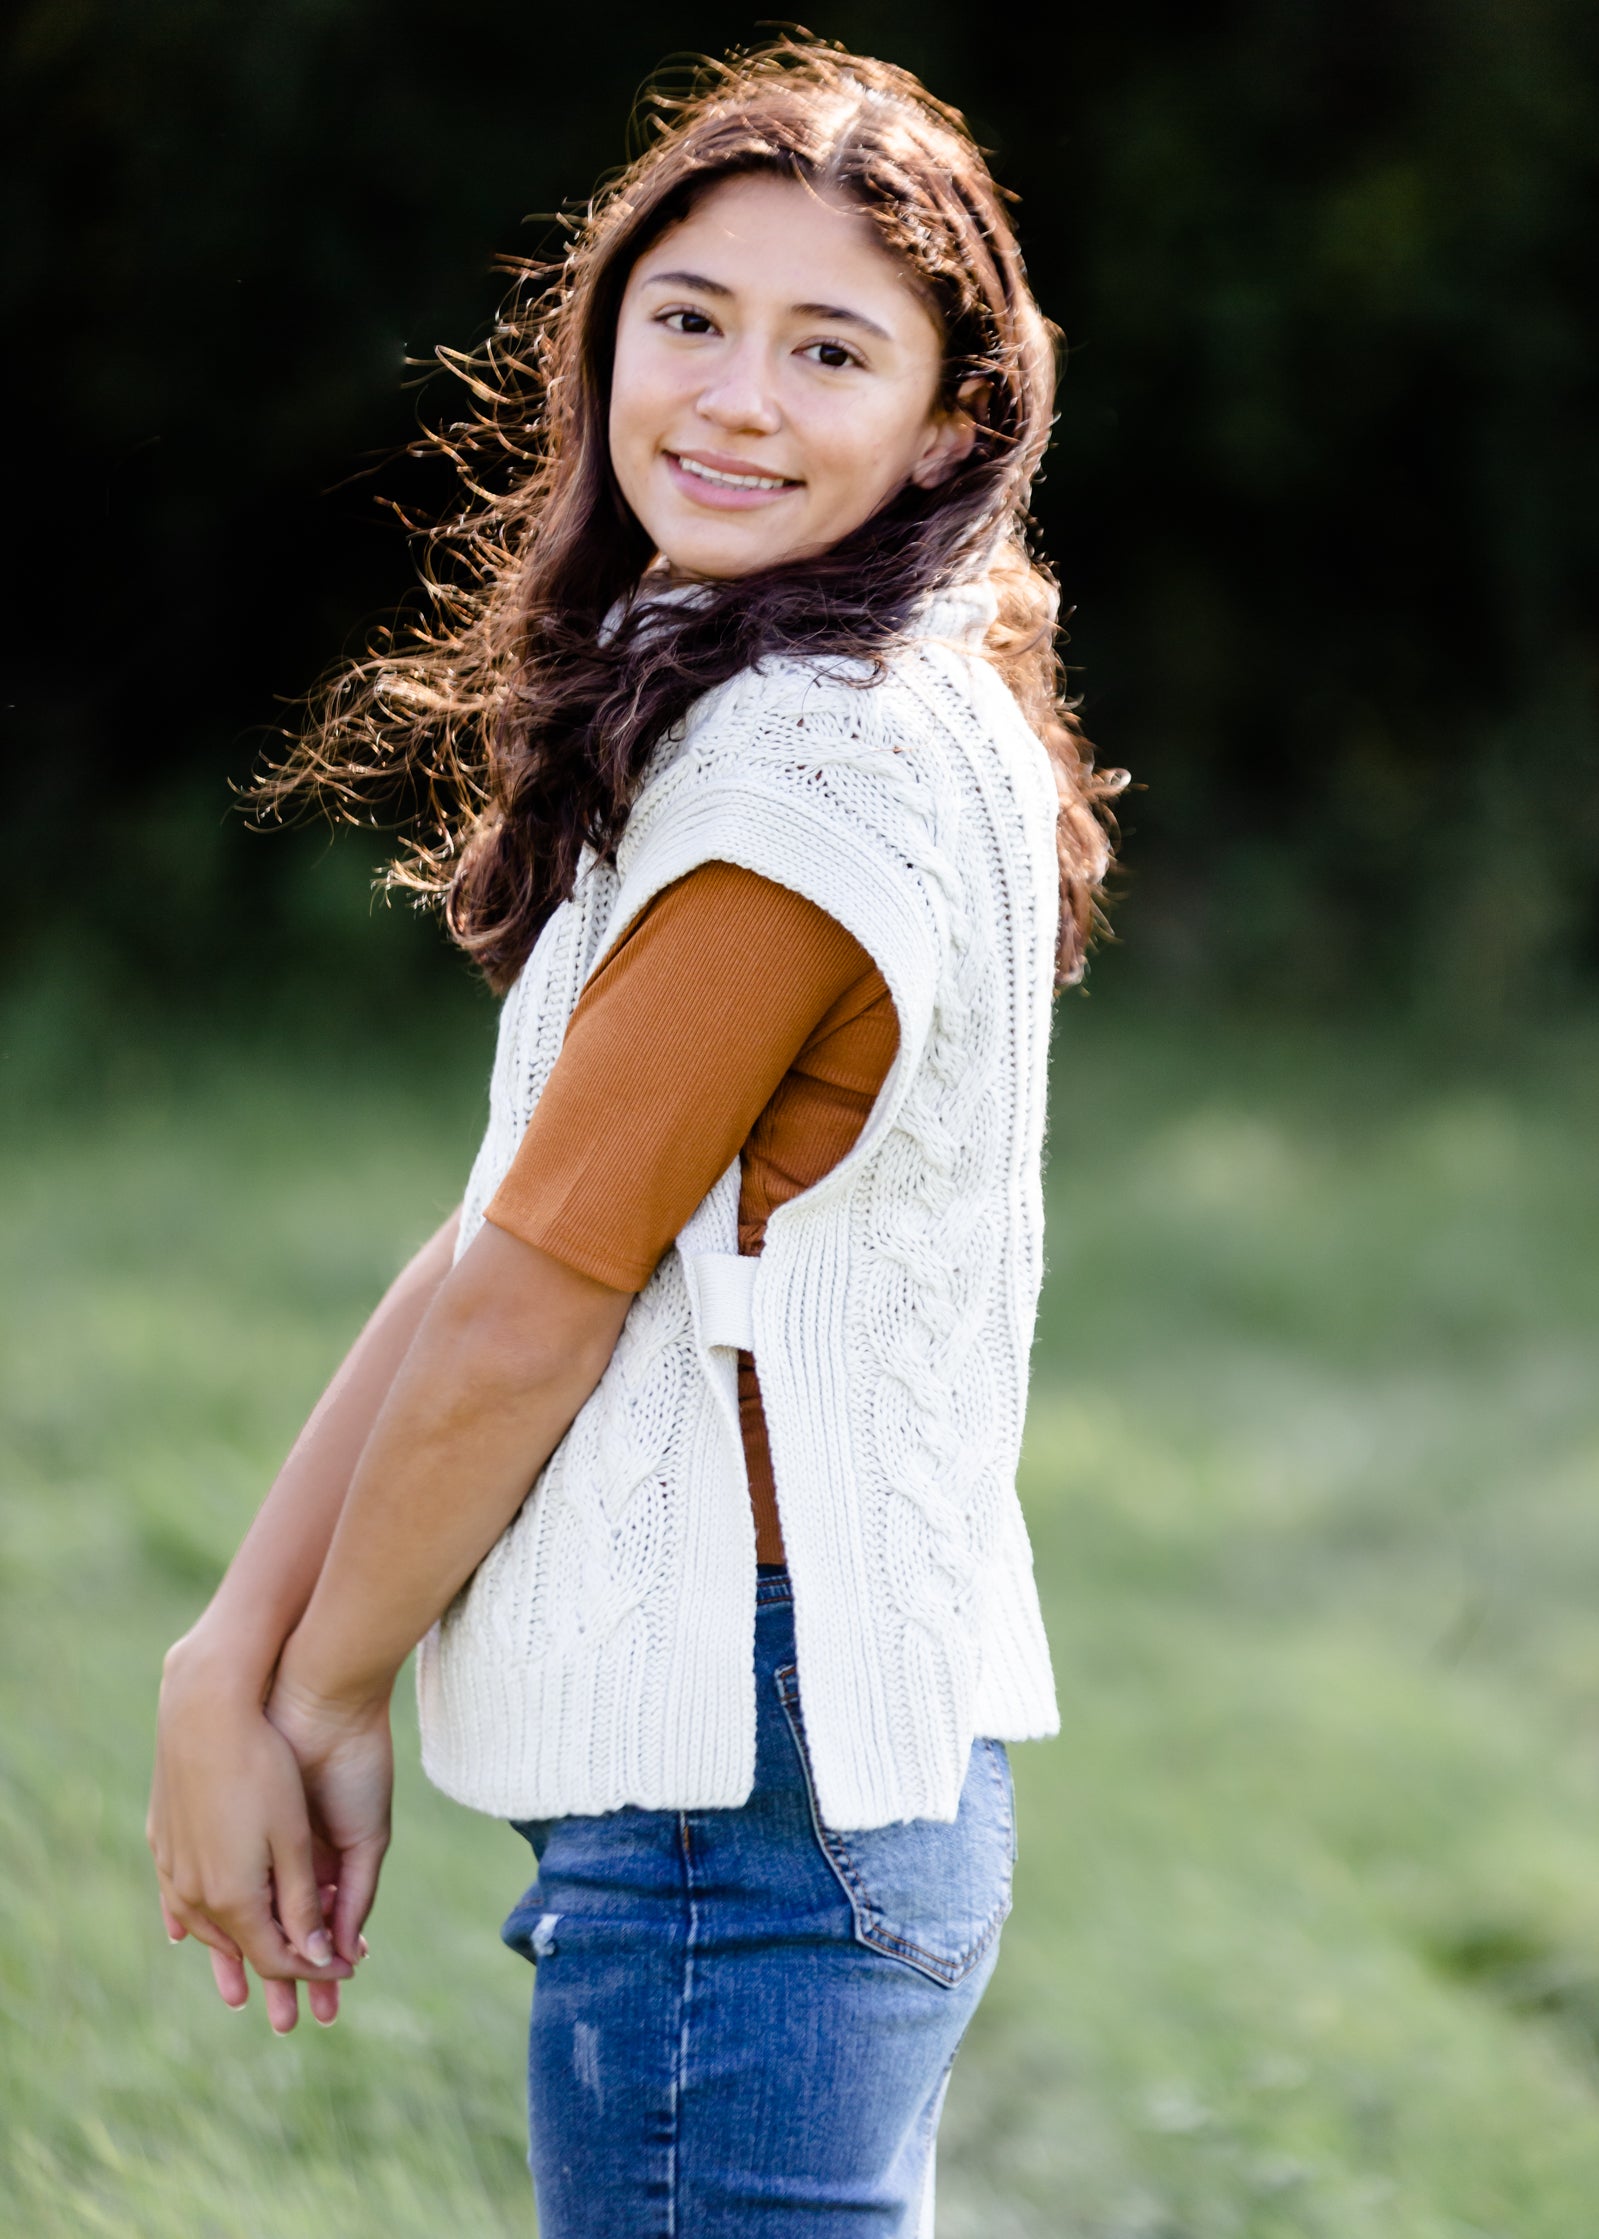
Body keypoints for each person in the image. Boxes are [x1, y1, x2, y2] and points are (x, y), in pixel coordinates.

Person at [146, 37, 1123, 2236]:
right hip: (805, 1763)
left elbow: (530, 1304)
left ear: (949, 418)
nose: (731, 399)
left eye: (828, 348)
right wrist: (235, 1645)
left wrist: (317, 1689)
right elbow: (516, 1224)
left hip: (745, 1796)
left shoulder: (804, 775)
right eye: (684, 318)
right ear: (599, 337)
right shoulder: (840, 694)